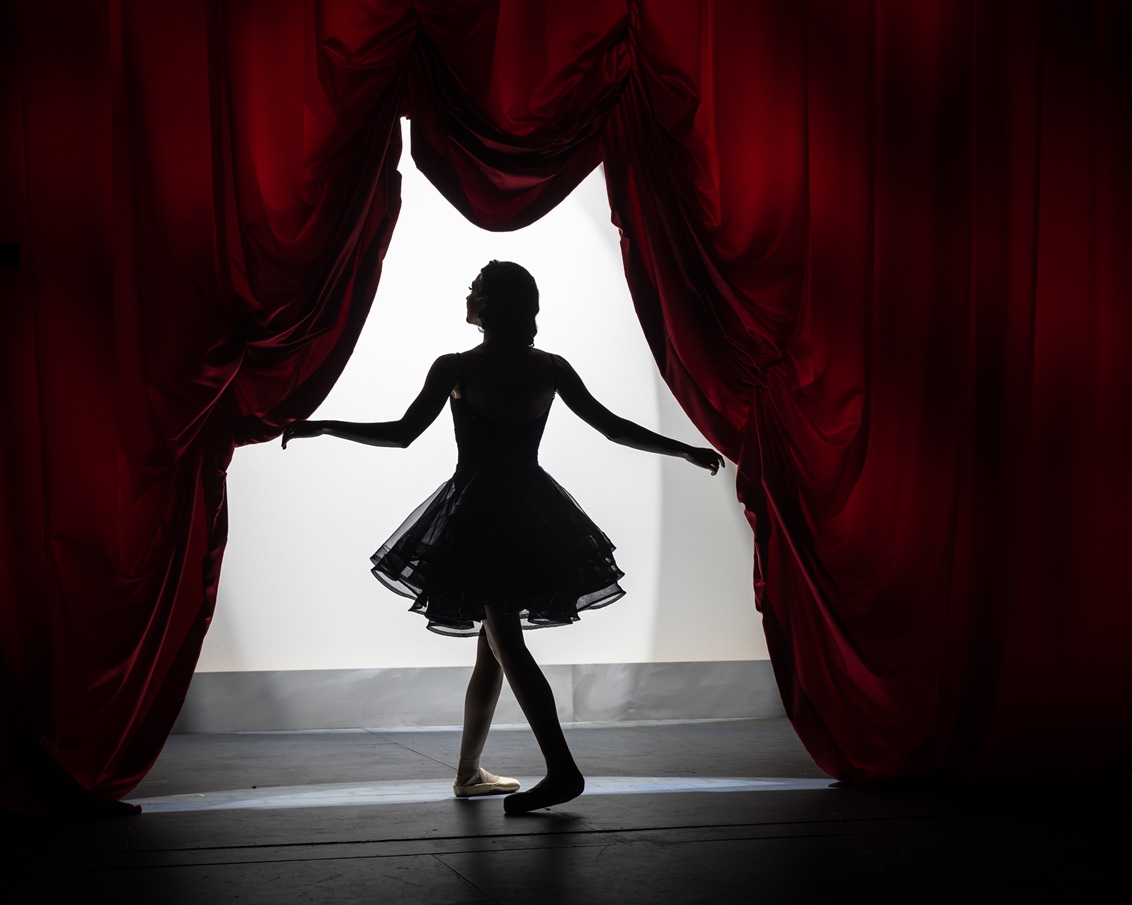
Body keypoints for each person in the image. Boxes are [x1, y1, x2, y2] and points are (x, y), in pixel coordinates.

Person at [282, 261, 724, 813]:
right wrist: (684, 449)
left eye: (475, 289)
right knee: (492, 649)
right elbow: (613, 428)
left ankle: (562, 771)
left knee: (505, 642)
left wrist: (324, 425)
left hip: (479, 514)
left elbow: (401, 434)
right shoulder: (550, 368)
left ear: (489, 305)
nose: (467, 294)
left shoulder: (456, 366)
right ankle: (469, 772)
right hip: (532, 512)